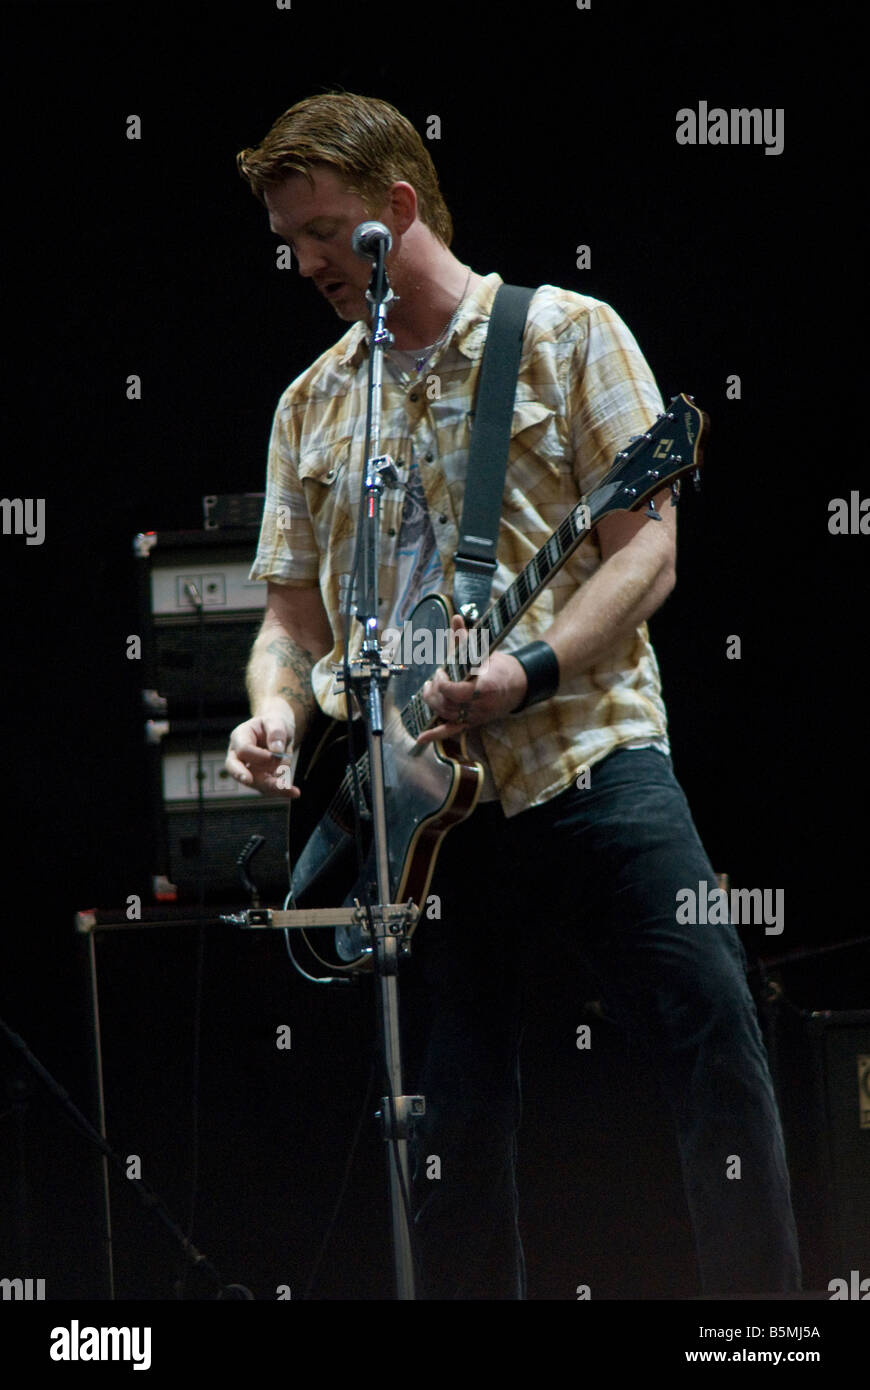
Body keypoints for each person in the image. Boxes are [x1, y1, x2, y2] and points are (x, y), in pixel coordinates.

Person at [224, 92, 801, 1299]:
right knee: (455, 1111)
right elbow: (288, 621)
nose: (307, 263)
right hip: (415, 807)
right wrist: (274, 708)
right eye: (288, 241)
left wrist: (527, 667)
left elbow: (647, 550)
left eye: (324, 231)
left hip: (587, 752)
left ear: (397, 207)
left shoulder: (569, 334)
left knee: (715, 1032)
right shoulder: (314, 404)